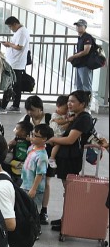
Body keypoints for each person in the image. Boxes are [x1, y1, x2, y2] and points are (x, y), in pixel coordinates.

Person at [48, 90, 96, 233]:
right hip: (66, 156)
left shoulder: (83, 118)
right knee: (67, 190)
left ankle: (68, 221)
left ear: (82, 104)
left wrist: (52, 139)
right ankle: (65, 218)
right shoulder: (76, 116)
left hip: (71, 158)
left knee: (70, 190)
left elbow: (70, 140)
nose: (69, 104)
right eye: (68, 101)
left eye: (73, 101)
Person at [21, 125, 52, 220]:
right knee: (24, 210)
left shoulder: (42, 156)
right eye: (32, 134)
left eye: (35, 136)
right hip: (25, 185)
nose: (31, 137)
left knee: (33, 211)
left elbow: (40, 174)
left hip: (35, 189)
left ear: (44, 139)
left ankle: (34, 230)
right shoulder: (32, 148)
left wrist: (33, 189)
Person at [1, 17, 30, 111]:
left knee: (12, 84)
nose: (10, 29)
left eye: (10, 26)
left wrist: (9, 44)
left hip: (16, 63)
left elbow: (19, 47)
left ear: (15, 24)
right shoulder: (19, 31)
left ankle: (8, 105)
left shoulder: (22, 32)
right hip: (14, 62)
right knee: (14, 84)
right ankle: (11, 104)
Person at [68, 19, 96, 92]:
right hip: (79, 64)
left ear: (85, 27)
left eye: (80, 25)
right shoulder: (80, 37)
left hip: (85, 65)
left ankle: (87, 103)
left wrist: (73, 57)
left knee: (86, 86)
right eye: (77, 25)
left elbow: (86, 51)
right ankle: (80, 102)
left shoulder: (87, 37)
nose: (78, 27)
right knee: (79, 86)